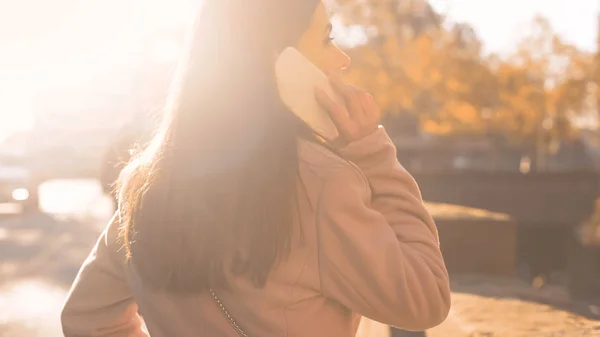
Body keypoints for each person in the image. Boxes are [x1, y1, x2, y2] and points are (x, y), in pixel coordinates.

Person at [61, 1, 451, 336]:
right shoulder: (323, 185)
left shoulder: (146, 183)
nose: (343, 59)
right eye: (327, 39)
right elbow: (426, 298)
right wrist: (373, 154)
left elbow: (86, 317)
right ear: (280, 62)